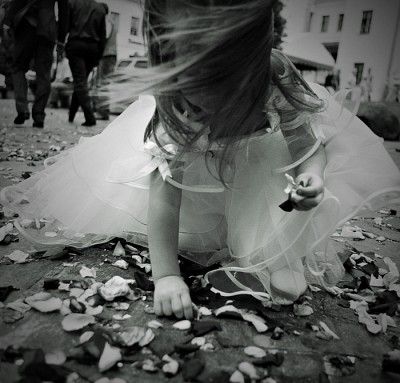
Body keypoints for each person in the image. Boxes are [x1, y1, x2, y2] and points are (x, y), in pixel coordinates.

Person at [1, 0, 400, 320]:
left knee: (275, 189)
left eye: (228, 85)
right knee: (174, 190)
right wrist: (167, 277)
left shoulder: (274, 78)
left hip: (259, 167)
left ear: (254, 61)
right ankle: (244, 246)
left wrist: (312, 177)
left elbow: (306, 148)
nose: (216, 100)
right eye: (202, 86)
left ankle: (275, 254)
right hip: (197, 174)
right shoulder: (178, 107)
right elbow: (166, 197)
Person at [2, 0, 68, 128]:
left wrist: (7, 20)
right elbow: (64, 11)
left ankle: (22, 108)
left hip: (27, 24)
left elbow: (17, 2)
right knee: (44, 73)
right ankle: (39, 115)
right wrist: (61, 39)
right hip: (47, 27)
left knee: (18, 67)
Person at [66, 0, 106, 126]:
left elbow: (66, 25)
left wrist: (62, 42)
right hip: (92, 48)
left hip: (76, 44)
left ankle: (89, 116)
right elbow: (102, 35)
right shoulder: (100, 9)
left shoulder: (73, 4)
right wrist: (99, 56)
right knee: (81, 81)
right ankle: (72, 114)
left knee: (80, 81)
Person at [93, 2, 117, 121]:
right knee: (104, 83)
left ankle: (102, 111)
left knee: (102, 83)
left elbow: (104, 36)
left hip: (107, 54)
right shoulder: (111, 20)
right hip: (110, 54)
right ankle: (102, 111)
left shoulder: (106, 20)